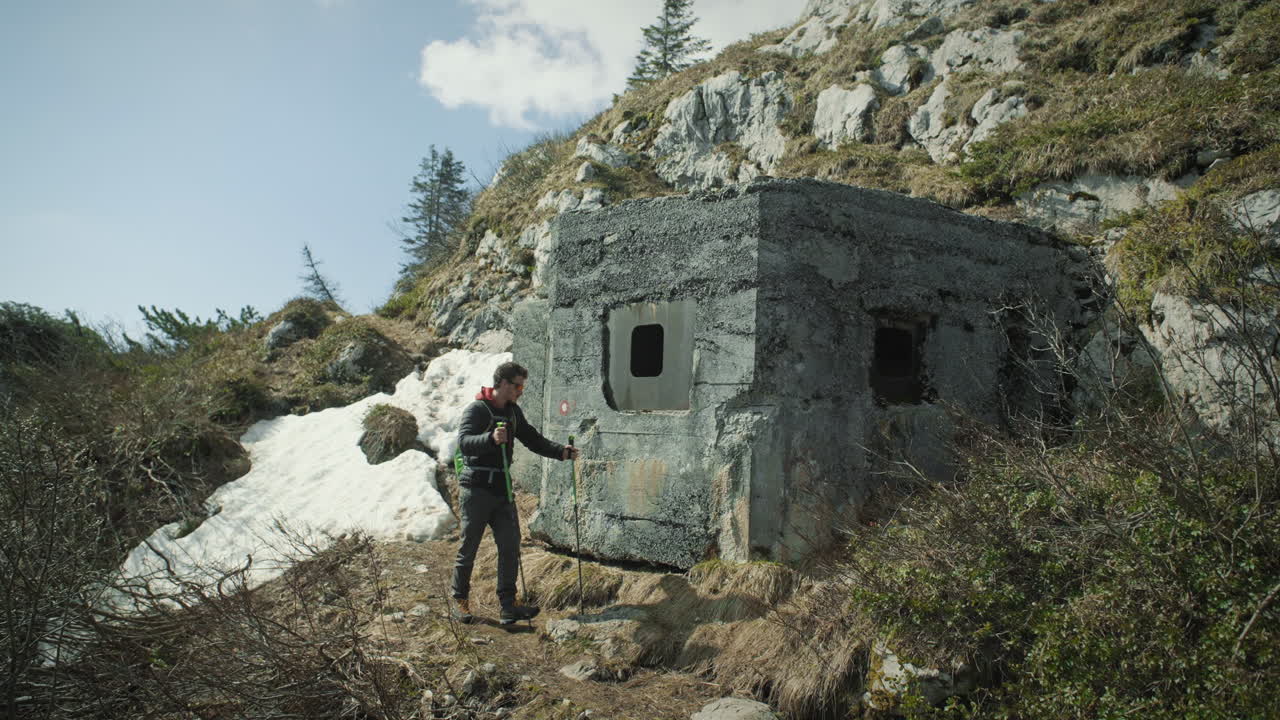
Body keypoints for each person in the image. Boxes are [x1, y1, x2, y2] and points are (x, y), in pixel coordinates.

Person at [451, 360, 579, 625]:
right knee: (469, 547)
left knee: (510, 546)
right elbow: (464, 444)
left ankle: (509, 606)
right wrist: (490, 439)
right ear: (503, 383)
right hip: (476, 488)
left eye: (522, 387)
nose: (521, 391)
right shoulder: (477, 409)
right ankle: (459, 600)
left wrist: (561, 452)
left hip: (502, 489)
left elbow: (532, 439)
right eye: (518, 386)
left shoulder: (512, 412)